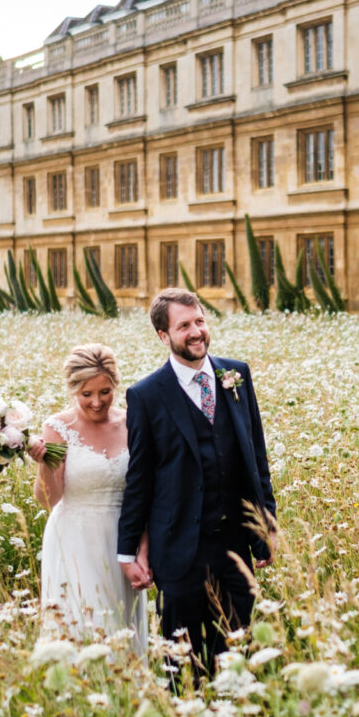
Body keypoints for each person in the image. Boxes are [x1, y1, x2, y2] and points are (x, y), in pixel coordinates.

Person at [117, 288, 276, 679]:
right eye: (184, 325)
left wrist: (265, 525)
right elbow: (139, 477)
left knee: (237, 653)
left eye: (200, 321)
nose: (196, 332)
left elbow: (257, 455)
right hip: (179, 550)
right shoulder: (146, 395)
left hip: (236, 545)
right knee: (183, 663)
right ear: (163, 336)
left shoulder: (236, 374)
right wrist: (127, 551)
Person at [30, 344, 148, 656]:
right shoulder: (57, 427)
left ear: (116, 385)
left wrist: (143, 549)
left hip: (124, 540)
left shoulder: (132, 422)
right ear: (73, 391)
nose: (97, 402)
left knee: (123, 629)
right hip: (74, 540)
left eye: (105, 391)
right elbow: (49, 499)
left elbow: (145, 489)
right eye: (86, 395)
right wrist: (44, 461)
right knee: (82, 626)